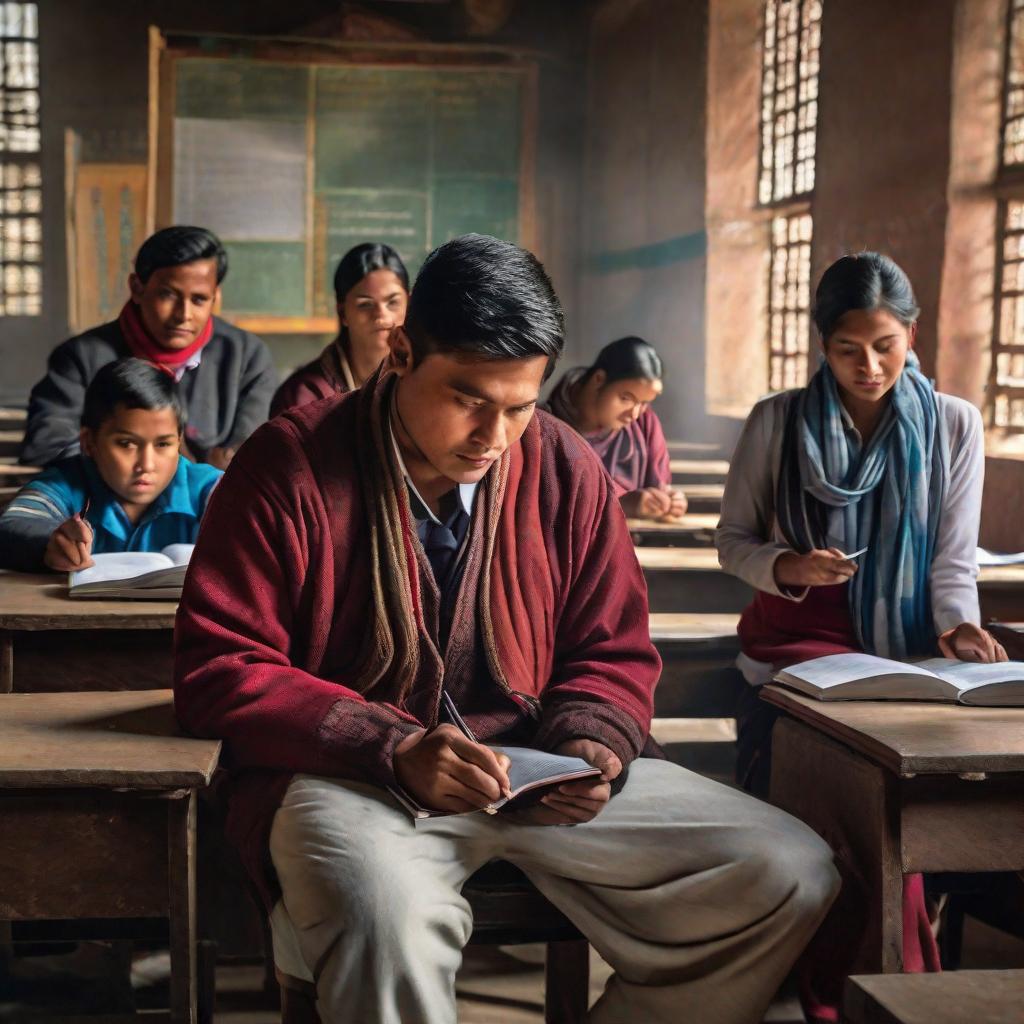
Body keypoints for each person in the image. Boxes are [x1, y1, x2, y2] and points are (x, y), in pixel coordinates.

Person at [174, 233, 837, 1024]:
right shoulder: (286, 466)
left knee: (791, 870)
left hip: (536, 773)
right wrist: (388, 746)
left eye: (520, 406)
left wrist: (591, 745)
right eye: (467, 399)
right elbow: (222, 667)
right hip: (354, 778)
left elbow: (611, 647)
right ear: (400, 352)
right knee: (383, 914)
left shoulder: (564, 466)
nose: (494, 436)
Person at [716, 251, 1004, 1020]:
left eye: (885, 345)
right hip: (794, 641)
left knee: (886, 795)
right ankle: (881, 984)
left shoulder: (953, 424)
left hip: (904, 648)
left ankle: (867, 983)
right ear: (821, 345)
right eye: (848, 349)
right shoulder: (777, 421)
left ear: (914, 334)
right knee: (854, 792)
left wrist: (960, 626)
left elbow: (952, 557)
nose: (868, 365)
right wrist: (789, 565)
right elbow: (732, 541)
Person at [20, 226, 277, 470]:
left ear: (215, 297)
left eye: (199, 299)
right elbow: (47, 446)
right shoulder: (81, 358)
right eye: (167, 295)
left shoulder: (247, 358)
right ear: (137, 288)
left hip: (216, 512)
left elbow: (252, 457)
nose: (183, 314)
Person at [0, 358, 221, 573]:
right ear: (89, 442)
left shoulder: (208, 487)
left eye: (163, 444)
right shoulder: (65, 484)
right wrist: (49, 542)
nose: (147, 464)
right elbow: (13, 524)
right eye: (126, 444)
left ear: (179, 441)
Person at [544, 335, 687, 520]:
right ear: (598, 379)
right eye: (626, 398)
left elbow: (659, 485)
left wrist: (669, 501)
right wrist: (621, 503)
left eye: (644, 403)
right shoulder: (545, 425)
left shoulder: (644, 423)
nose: (635, 414)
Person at [271, 243, 409, 416]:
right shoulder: (304, 396)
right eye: (365, 305)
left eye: (393, 302)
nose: (381, 315)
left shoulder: (425, 380)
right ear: (342, 312)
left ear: (409, 304)